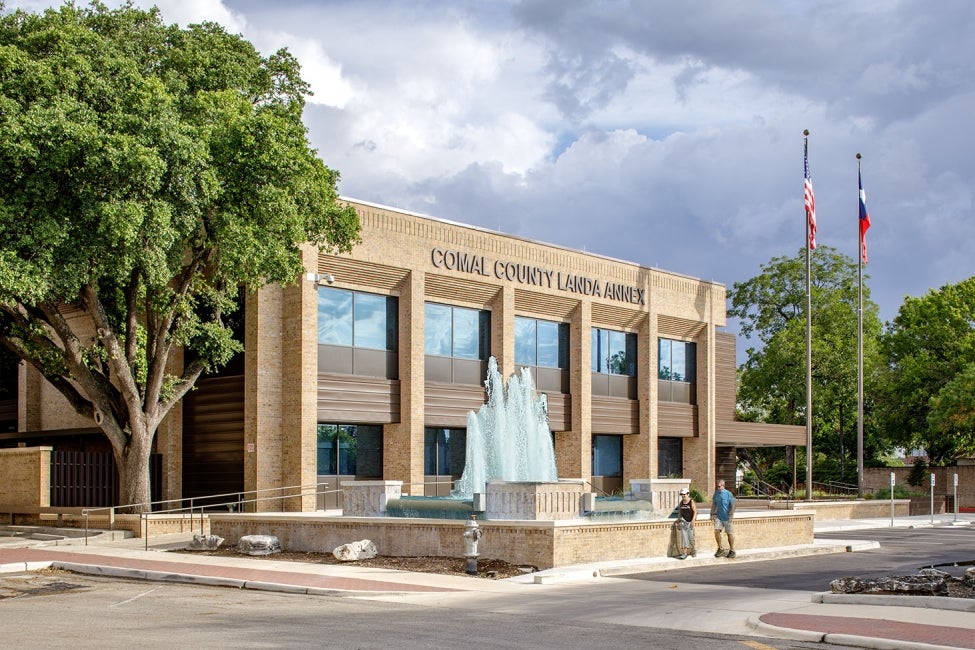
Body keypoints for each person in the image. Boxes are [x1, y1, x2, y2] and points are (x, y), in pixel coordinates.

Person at [711, 479, 736, 558]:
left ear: (723, 486)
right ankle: (720, 548)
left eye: (719, 486)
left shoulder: (728, 494)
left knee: (729, 533)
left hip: (727, 517)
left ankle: (732, 550)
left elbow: (733, 505)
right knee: (716, 531)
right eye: (717, 486)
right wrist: (712, 514)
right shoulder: (716, 494)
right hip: (719, 516)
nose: (718, 488)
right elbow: (714, 504)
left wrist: (731, 514)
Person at [674, 488, 696, 559]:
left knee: (691, 537)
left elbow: (695, 511)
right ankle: (684, 553)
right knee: (684, 537)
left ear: (688, 494)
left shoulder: (691, 501)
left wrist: (693, 521)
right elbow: (680, 512)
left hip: (690, 522)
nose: (683, 496)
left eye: (684, 494)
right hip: (684, 521)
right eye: (682, 494)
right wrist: (679, 520)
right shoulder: (681, 502)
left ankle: (693, 549)